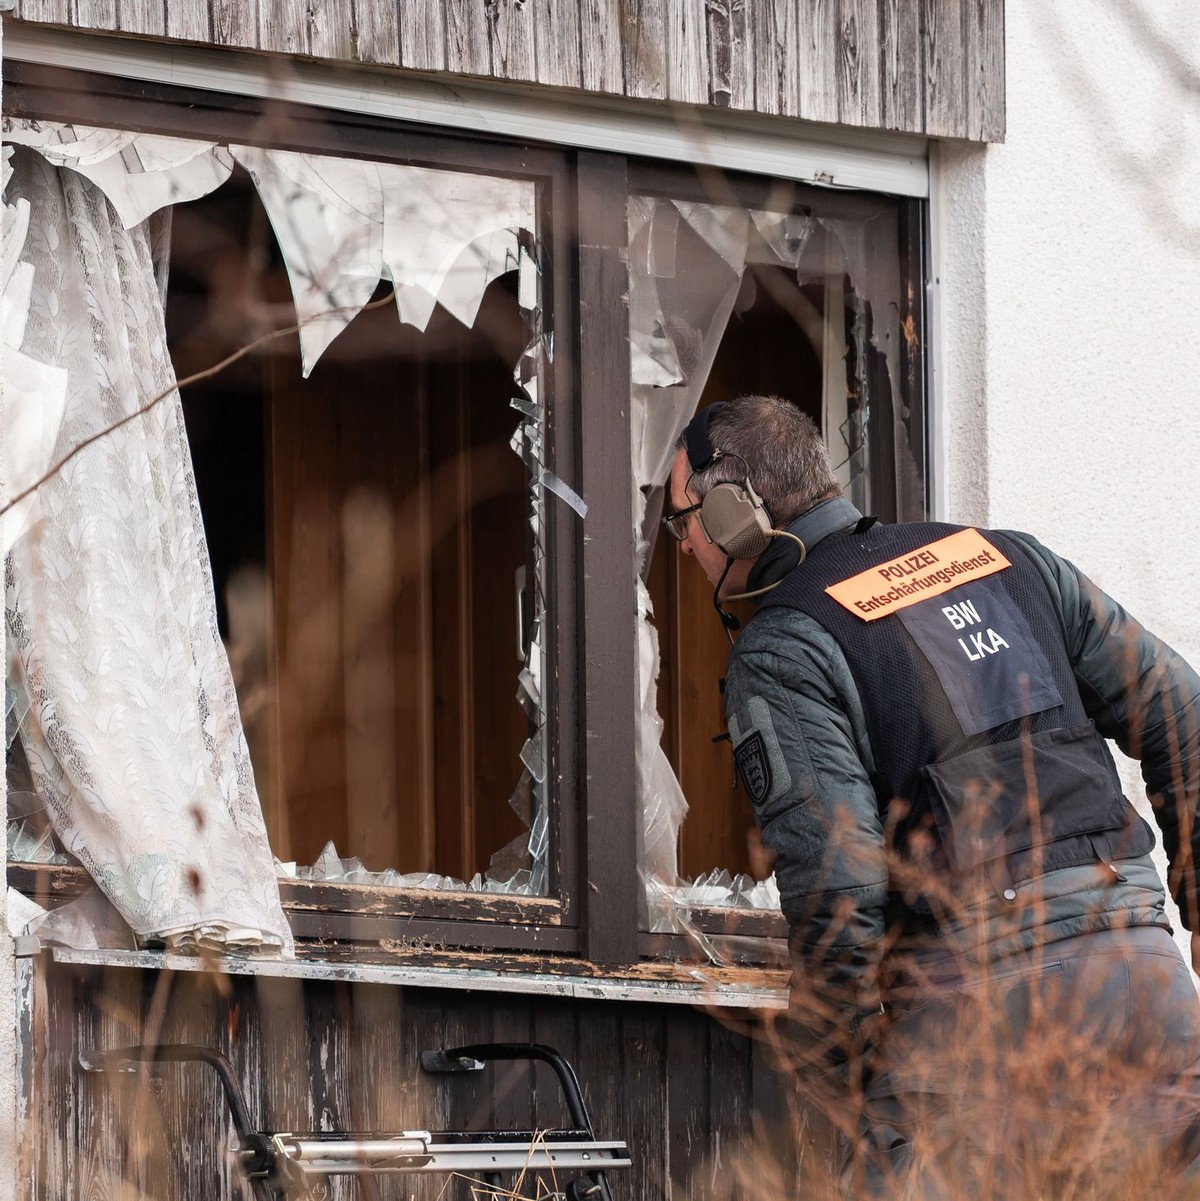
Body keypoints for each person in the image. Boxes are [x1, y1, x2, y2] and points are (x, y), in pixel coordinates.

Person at [664, 393, 1200, 1196]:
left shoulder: (785, 646)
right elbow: (1183, 716)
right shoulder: (1014, 560)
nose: (685, 547)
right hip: (1144, 986)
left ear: (736, 509)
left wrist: (836, 1093)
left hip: (977, 1024)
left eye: (683, 522)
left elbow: (838, 892)